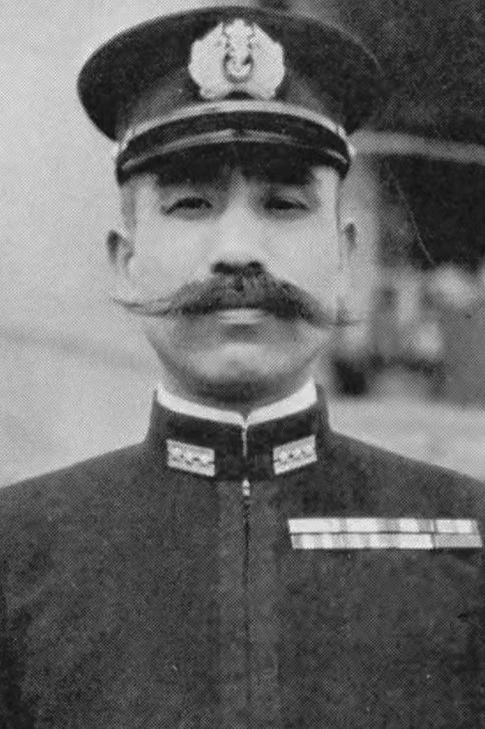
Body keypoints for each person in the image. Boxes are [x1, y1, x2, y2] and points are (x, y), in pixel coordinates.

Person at [0, 6, 483, 728]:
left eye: (283, 204)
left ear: (345, 255)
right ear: (126, 260)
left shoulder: (468, 536)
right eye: (190, 203)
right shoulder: (17, 554)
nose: (237, 250)